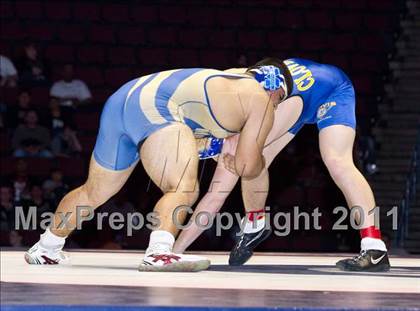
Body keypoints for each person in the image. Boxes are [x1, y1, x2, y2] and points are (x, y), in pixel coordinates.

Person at [24, 62, 291, 271]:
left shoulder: (228, 80)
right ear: (275, 87)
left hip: (124, 99)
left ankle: (46, 246)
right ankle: (159, 252)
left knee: (95, 191)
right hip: (157, 109)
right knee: (182, 187)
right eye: (281, 99)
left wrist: (210, 146)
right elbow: (248, 165)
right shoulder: (262, 98)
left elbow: (176, 141)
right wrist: (248, 161)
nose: (277, 107)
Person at [173, 58, 390, 272]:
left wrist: (226, 153)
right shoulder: (224, 95)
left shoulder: (245, 121)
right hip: (283, 90)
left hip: (330, 88)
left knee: (337, 162)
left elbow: (218, 192)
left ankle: (374, 248)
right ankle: (255, 223)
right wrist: (175, 252)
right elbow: (214, 196)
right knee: (254, 161)